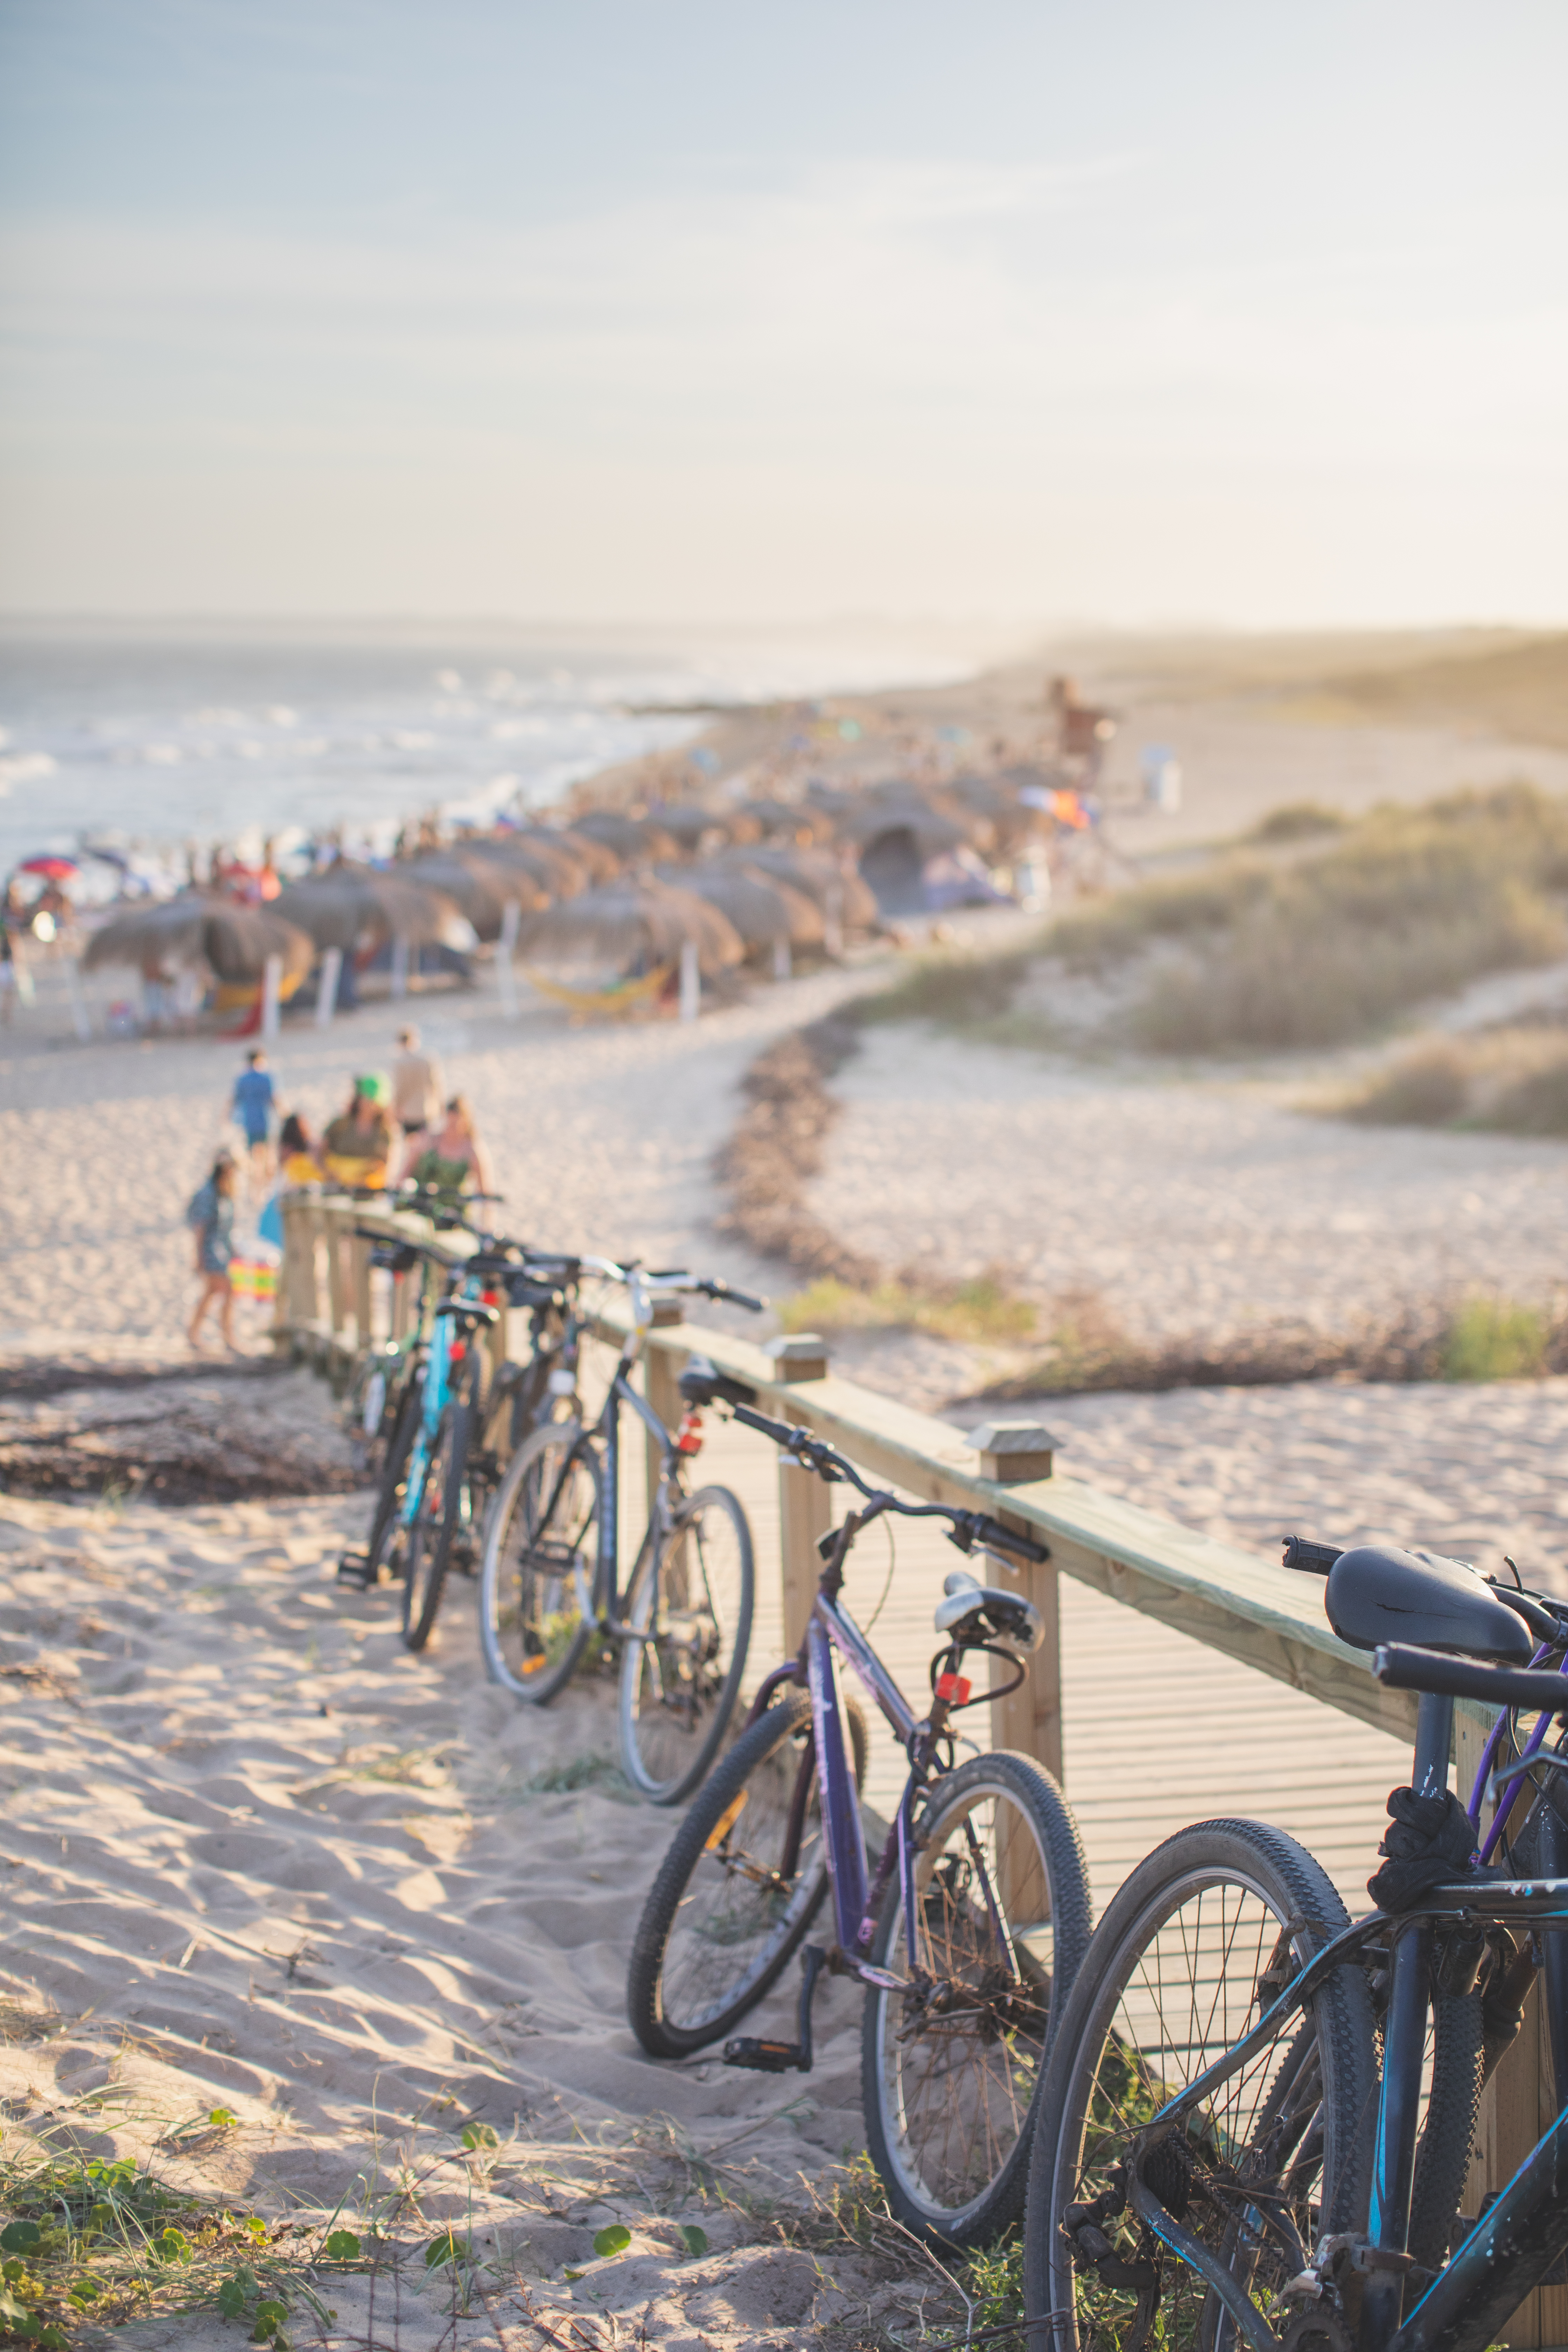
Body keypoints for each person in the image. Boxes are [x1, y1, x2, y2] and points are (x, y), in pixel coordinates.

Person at [186, 1151, 239, 1350]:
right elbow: (200, 1227)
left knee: (212, 1292)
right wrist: (198, 1256)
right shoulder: (209, 1194)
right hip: (210, 1251)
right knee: (226, 1289)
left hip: (219, 1251)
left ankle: (194, 1332)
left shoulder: (223, 1192)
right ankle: (227, 1336)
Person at [399, 1095, 492, 1204]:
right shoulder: (430, 1140)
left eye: (455, 1125)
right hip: (420, 1204)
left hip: (452, 1212)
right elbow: (406, 1171)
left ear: (466, 1124)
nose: (450, 1130)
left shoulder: (473, 1150)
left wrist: (487, 1220)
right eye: (449, 1124)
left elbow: (485, 1194)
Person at [322, 1076, 394, 1189]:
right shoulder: (341, 1125)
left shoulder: (384, 1131)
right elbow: (319, 1151)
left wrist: (373, 1173)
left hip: (366, 1188)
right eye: (369, 1100)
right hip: (336, 1185)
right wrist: (328, 1173)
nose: (372, 1105)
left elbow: (386, 1165)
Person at [391, 1025, 444, 1139]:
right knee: (425, 1144)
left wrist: (396, 1108)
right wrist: (440, 1106)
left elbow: (399, 1089)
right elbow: (435, 1085)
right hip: (425, 1109)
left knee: (410, 1145)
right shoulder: (427, 1059)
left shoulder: (400, 1062)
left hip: (407, 1112)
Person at [231, 1048, 276, 1177]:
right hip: (265, 1121)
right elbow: (273, 1099)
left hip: (249, 1121)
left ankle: (255, 1183)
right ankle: (266, 1182)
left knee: (253, 1156)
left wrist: (227, 1117)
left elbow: (236, 1100)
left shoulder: (242, 1079)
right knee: (268, 1154)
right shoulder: (266, 1077)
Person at [277, 1111, 323, 1185]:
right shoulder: (287, 1149)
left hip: (310, 1181)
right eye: (303, 1124)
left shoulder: (311, 1145)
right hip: (295, 1182)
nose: (307, 1127)